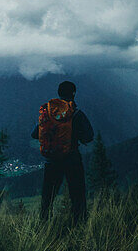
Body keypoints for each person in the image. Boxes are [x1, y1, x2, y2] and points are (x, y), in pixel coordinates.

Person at [31, 80, 94, 223]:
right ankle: (79, 226)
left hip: (51, 160)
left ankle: (44, 226)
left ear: (58, 94)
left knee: (48, 197)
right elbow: (89, 136)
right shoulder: (76, 114)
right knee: (77, 195)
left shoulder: (48, 113)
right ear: (73, 94)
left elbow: (34, 134)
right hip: (72, 158)